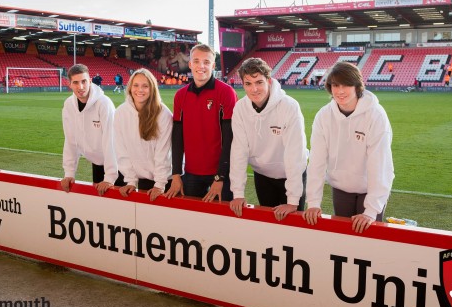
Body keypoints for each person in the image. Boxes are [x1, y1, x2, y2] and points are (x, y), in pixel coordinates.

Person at [302, 62, 394, 234]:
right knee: (344, 242)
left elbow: (380, 165)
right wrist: (313, 202)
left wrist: (371, 211)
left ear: (357, 86)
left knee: (369, 242)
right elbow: (317, 161)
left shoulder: (376, 115)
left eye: (346, 85)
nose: (340, 91)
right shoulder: (324, 115)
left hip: (370, 189)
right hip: (341, 188)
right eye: (335, 85)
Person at [229, 58, 308, 221]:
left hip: (291, 173)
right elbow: (239, 150)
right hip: (262, 174)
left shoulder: (289, 106)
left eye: (259, 82)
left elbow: (295, 153)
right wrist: (237, 193)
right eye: (248, 83)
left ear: (269, 81)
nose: (254, 89)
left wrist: (293, 200)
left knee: (293, 225)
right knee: (268, 224)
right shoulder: (240, 108)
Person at [163, 44, 237, 202]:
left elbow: (230, 139)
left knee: (223, 222)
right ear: (190, 64)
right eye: (196, 61)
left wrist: (220, 177)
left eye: (206, 62)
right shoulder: (180, 96)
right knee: (192, 223)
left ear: (213, 65)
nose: (201, 66)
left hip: (221, 175)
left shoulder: (226, 92)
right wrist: (176, 174)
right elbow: (177, 137)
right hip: (191, 174)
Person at [61, 64, 124, 196]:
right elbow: (70, 140)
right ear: (70, 84)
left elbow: (111, 141)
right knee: (100, 204)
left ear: (90, 81)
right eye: (76, 83)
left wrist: (110, 177)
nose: (81, 87)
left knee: (119, 206)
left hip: (118, 162)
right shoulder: (68, 105)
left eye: (84, 81)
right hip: (97, 162)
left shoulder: (104, 103)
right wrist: (69, 173)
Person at [114, 68, 173, 201]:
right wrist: (130, 181)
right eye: (136, 85)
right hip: (143, 178)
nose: (140, 90)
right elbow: (122, 150)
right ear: (130, 87)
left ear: (152, 89)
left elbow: (163, 153)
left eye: (145, 86)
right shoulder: (120, 113)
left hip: (165, 180)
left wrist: (159, 184)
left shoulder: (163, 114)